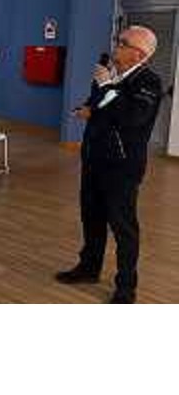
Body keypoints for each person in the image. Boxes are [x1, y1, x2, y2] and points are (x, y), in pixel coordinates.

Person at [56, 26, 162, 303]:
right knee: (91, 218)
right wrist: (88, 109)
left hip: (122, 167)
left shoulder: (148, 82)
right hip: (94, 159)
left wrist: (106, 86)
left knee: (123, 227)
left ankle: (126, 287)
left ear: (139, 54)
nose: (116, 45)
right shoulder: (110, 74)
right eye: (118, 40)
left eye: (122, 42)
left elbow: (132, 117)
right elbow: (99, 105)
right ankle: (89, 268)